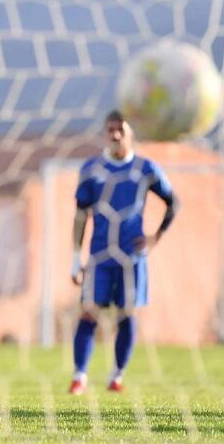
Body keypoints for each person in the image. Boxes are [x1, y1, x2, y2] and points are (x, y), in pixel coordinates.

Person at [69, 110, 178, 395]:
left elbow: (173, 202)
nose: (115, 134)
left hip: (131, 258)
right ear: (105, 133)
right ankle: (79, 376)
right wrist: (74, 259)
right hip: (99, 256)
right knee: (89, 313)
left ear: (131, 134)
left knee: (126, 315)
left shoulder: (145, 169)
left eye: (121, 129)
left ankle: (116, 376)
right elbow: (80, 216)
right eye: (110, 129)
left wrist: (156, 237)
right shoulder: (92, 169)